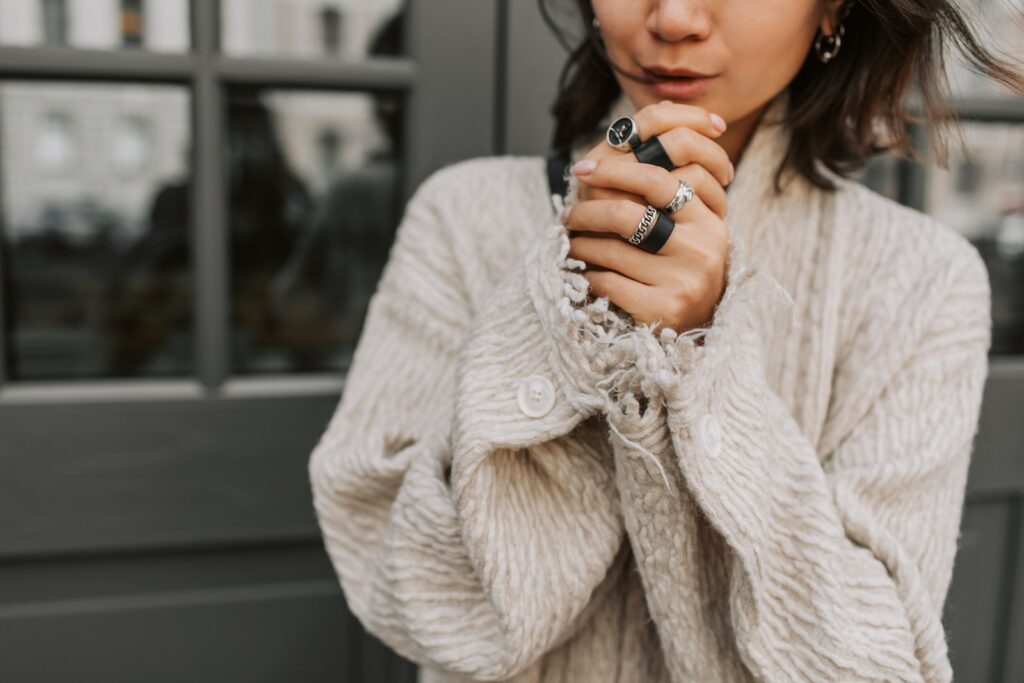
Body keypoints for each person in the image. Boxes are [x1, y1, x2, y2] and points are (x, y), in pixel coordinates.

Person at [308, 1, 1024, 681]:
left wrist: (699, 356)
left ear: (834, 7)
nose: (674, 18)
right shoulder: (461, 218)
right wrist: (565, 323)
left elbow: (871, 664)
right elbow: (417, 601)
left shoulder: (922, 281)